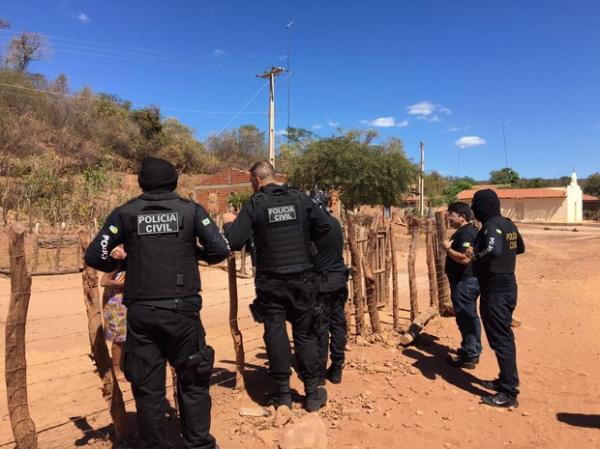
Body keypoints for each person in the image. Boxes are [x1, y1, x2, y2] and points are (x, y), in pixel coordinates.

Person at [84, 156, 229, 449]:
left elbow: (94, 255)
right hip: (183, 313)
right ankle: (199, 444)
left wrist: (124, 259)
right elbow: (219, 249)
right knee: (193, 379)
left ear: (141, 183)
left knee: (148, 388)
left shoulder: (124, 213)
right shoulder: (191, 211)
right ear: (174, 181)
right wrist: (194, 254)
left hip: (141, 315)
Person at [222, 161, 331, 412]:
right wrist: (304, 237)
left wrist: (229, 224)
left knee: (275, 334)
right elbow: (324, 225)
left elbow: (235, 241)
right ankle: (313, 393)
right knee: (304, 334)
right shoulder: (299, 199)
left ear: (256, 179)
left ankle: (283, 395)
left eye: (250, 181)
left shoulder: (255, 204)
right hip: (302, 280)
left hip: (271, 283)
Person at [466, 189, 525, 408]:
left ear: (484, 206)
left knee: (501, 339)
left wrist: (475, 256)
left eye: (476, 205)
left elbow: (493, 250)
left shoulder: (491, 225)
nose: (474, 209)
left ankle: (509, 392)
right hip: (508, 285)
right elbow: (519, 247)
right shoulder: (508, 224)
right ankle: (504, 380)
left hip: (496, 290)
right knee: (502, 337)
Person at [309, 189, 349, 385]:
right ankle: (337, 368)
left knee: (321, 327)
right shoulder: (335, 223)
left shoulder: (314, 225)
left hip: (323, 284)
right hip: (340, 280)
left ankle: (319, 373)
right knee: (338, 324)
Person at [442, 202, 482, 369]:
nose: (448, 218)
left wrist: (447, 249)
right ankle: (471, 349)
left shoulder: (465, 234)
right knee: (470, 316)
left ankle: (469, 356)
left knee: (466, 317)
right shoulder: (470, 231)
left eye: (451, 215)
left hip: (465, 282)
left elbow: (465, 259)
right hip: (468, 281)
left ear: (461, 216)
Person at [101, 266, 127, 380]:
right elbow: (104, 281)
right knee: (118, 337)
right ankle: (116, 369)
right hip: (115, 303)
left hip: (127, 301)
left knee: (126, 336)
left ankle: (123, 364)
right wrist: (124, 283)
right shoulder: (117, 261)